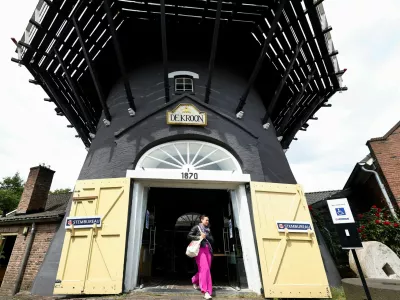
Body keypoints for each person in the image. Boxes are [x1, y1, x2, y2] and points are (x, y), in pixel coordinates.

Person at [188, 214, 214, 299]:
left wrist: (207, 236)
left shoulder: (208, 229)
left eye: (208, 220)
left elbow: (212, 240)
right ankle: (206, 291)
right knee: (205, 269)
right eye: (206, 220)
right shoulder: (196, 228)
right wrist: (199, 236)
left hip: (208, 250)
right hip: (200, 250)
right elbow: (189, 236)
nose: (207, 222)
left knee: (206, 270)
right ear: (201, 220)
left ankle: (194, 280)